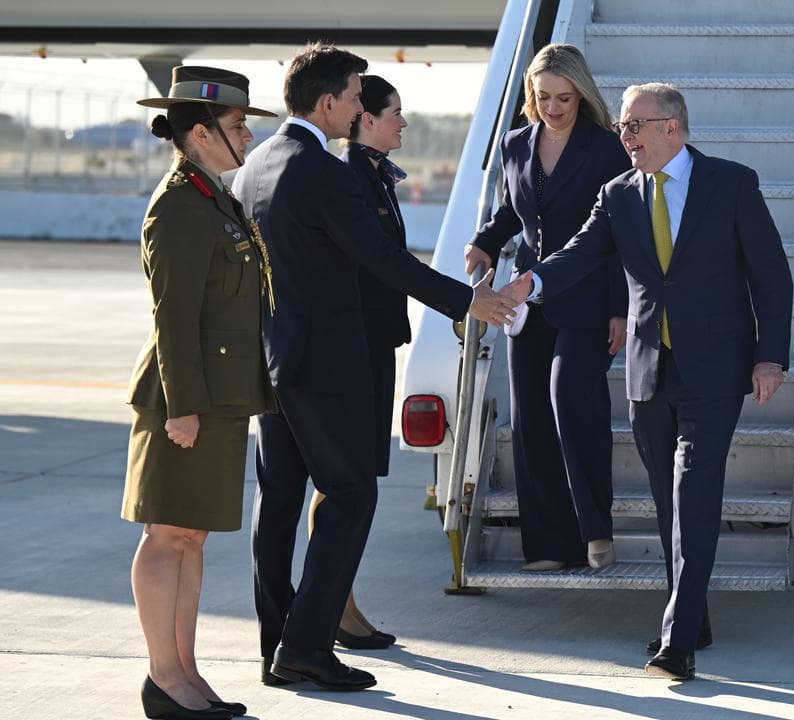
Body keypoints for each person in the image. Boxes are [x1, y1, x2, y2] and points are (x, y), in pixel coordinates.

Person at [231, 44, 516, 692]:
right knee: (351, 494)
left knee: (278, 504)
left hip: (273, 362)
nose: (360, 108)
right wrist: (470, 300)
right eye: (357, 97)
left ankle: (277, 643)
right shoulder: (322, 173)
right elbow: (385, 261)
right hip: (326, 364)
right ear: (328, 102)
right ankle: (305, 646)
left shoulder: (255, 168)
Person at [503, 83, 793, 681]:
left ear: (673, 128)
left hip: (714, 369)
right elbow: (578, 255)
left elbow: (770, 275)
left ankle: (677, 639)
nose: (626, 137)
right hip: (648, 369)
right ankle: (696, 614)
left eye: (636, 126)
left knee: (695, 492)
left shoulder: (731, 183)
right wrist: (528, 284)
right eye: (623, 129)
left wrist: (770, 357)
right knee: (668, 502)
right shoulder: (617, 195)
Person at [124, 65, 277, 719]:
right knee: (167, 536)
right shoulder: (180, 207)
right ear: (201, 132)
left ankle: (185, 673)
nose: (246, 135)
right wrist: (182, 404)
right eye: (238, 125)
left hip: (218, 397)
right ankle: (164, 677)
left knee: (191, 537)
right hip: (183, 401)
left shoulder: (215, 198)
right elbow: (173, 316)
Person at [463, 44, 630, 572]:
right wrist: (485, 240)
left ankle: (594, 531)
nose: (554, 107)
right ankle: (550, 545)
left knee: (571, 403)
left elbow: (622, 236)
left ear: (580, 93)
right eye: (544, 97)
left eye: (564, 97)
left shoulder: (606, 148)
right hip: (527, 303)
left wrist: (620, 309)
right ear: (531, 96)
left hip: (589, 296)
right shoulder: (516, 143)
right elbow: (515, 209)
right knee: (531, 420)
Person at [295, 75, 410, 653]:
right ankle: (334, 606)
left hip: (373, 342)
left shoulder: (370, 175)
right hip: (355, 345)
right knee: (346, 482)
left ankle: (342, 600)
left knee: (357, 480)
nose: (402, 123)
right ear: (365, 118)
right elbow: (380, 261)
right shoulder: (349, 178)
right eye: (394, 112)